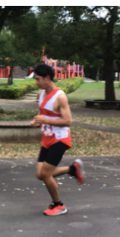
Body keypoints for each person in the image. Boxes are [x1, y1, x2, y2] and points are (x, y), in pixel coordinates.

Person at [31, 63, 84, 217]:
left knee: (45, 174)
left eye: (38, 79)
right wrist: (36, 120)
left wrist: (44, 120)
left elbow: (68, 121)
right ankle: (72, 169)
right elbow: (43, 113)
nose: (36, 82)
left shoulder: (60, 97)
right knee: (40, 174)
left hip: (60, 139)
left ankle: (59, 205)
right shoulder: (41, 93)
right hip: (47, 138)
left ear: (47, 78)